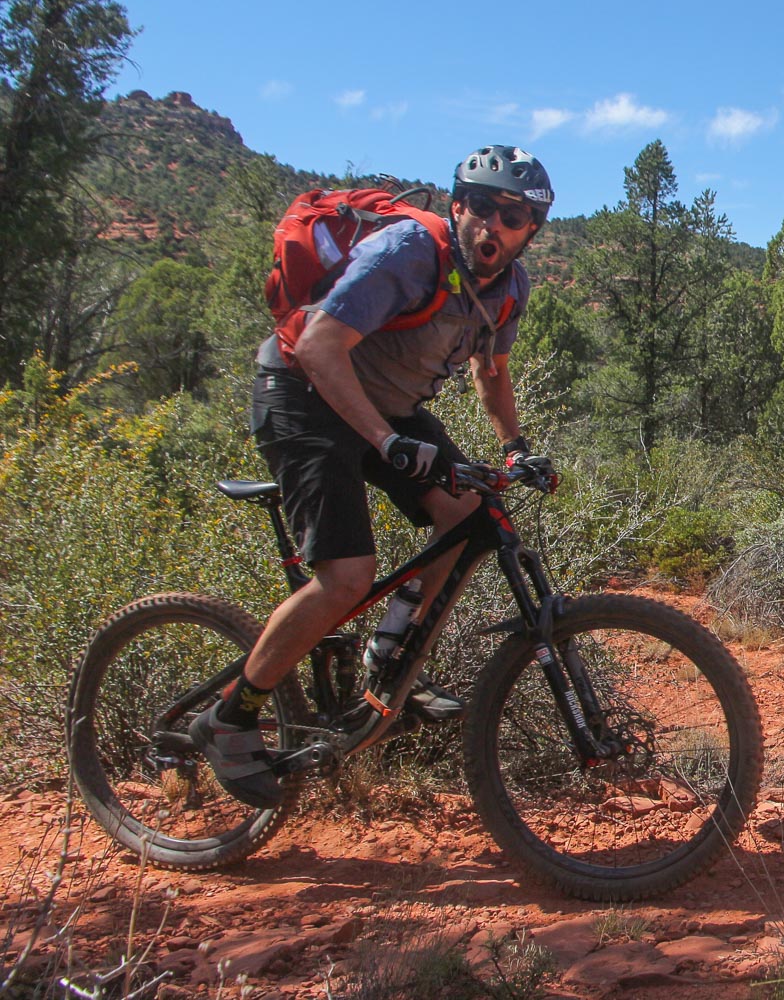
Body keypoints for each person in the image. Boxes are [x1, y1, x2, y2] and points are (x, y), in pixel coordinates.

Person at [191, 145, 558, 809]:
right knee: (347, 576)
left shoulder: (509, 290)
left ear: (531, 230)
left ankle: (387, 665)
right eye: (480, 206)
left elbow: (491, 373)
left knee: (466, 514)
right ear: (457, 206)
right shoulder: (411, 253)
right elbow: (319, 344)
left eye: (512, 215)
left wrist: (516, 446)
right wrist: (387, 442)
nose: (492, 224)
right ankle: (230, 718)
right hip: (303, 392)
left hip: (383, 406)